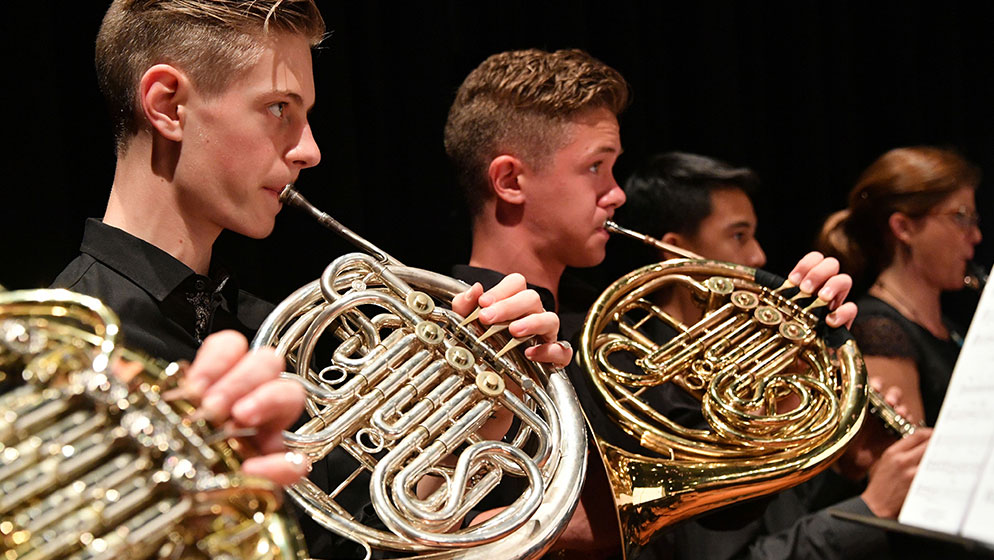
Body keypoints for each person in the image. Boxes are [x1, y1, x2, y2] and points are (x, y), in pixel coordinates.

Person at [50, 2, 570, 556]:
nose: (310, 150)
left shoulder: (268, 330)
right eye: (279, 109)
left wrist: (483, 406)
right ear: (168, 106)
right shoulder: (66, 356)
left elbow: (367, 537)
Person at [443, 49, 858, 558]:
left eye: (613, 169)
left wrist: (788, 375)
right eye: (595, 167)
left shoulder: (618, 341)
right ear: (510, 181)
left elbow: (718, 504)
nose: (616, 194)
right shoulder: (437, 326)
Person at [616, 151, 933, 560]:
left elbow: (781, 515)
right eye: (739, 236)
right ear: (674, 250)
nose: (758, 257)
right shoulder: (645, 383)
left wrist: (841, 468)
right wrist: (872, 507)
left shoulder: (743, 360)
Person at [817, 146, 983, 427]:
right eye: (961, 217)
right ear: (903, 227)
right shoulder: (880, 330)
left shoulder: (948, 328)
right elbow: (910, 460)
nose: (975, 236)